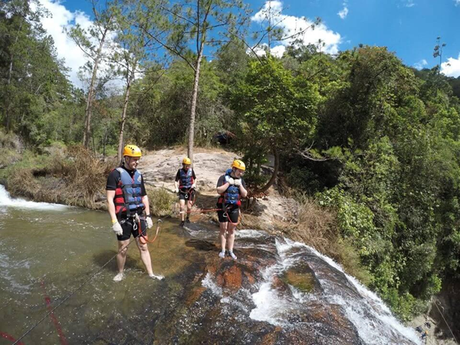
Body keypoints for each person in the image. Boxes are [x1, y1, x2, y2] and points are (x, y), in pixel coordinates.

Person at [106, 144, 163, 282]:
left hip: (139, 217)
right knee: (123, 249)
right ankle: (120, 273)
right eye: (133, 159)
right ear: (126, 158)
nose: (136, 162)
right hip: (124, 218)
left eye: (138, 159)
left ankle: (150, 274)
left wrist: (148, 216)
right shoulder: (115, 174)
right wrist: (114, 222)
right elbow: (109, 200)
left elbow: (144, 197)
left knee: (143, 245)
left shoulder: (139, 175)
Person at [216, 159, 248, 260]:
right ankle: (222, 250)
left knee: (231, 230)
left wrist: (240, 185)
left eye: (242, 171)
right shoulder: (223, 178)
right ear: (233, 168)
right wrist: (228, 184)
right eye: (239, 170)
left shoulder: (241, 180)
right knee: (223, 228)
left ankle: (230, 251)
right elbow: (218, 190)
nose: (241, 173)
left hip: (234, 208)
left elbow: (245, 194)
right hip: (223, 207)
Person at [174, 157, 197, 227]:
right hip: (182, 191)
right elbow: (176, 180)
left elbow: (195, 178)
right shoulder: (179, 171)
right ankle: (182, 221)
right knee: (181, 206)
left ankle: (187, 218)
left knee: (189, 207)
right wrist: (176, 188)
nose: (187, 167)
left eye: (188, 165)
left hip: (190, 191)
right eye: (186, 165)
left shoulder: (191, 170)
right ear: (183, 165)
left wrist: (194, 184)